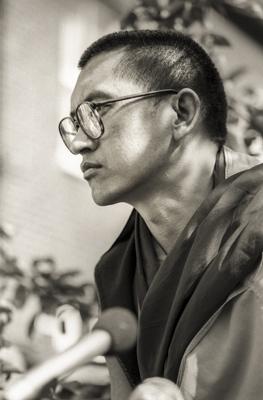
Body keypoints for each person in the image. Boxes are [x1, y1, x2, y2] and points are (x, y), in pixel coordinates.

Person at [58, 30, 263, 400]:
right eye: (74, 123)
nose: (78, 143)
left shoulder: (257, 215)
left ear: (181, 114)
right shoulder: (119, 271)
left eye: (98, 110)